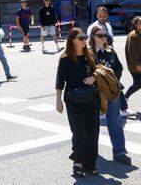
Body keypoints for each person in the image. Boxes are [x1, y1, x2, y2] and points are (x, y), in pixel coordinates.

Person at [56, 27, 100, 178]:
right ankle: (78, 163)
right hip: (73, 101)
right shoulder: (65, 59)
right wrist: (58, 101)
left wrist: (94, 78)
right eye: (81, 38)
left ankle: (90, 164)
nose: (84, 40)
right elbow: (60, 81)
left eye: (84, 37)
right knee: (80, 134)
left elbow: (99, 72)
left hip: (92, 100)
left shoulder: (90, 56)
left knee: (93, 134)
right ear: (72, 41)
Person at [89, 25, 131, 165]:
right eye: (99, 36)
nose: (103, 38)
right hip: (94, 93)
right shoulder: (89, 53)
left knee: (115, 122)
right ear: (93, 37)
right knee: (92, 123)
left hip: (111, 91)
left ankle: (120, 152)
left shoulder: (110, 51)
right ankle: (90, 151)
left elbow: (118, 68)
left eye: (104, 36)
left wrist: (112, 81)